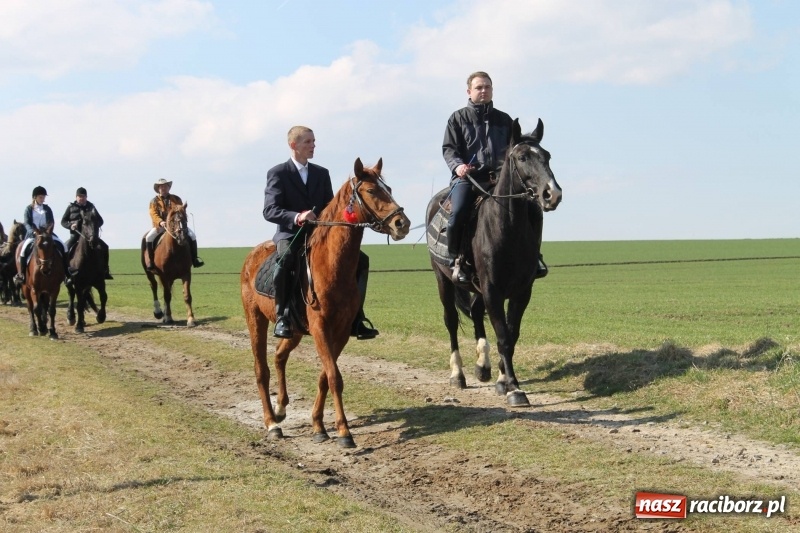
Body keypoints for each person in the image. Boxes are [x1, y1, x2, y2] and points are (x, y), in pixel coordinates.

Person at [263, 125, 378, 340]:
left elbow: (330, 207)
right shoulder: (278, 173)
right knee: (285, 261)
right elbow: (270, 210)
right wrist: (298, 216)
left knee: (361, 260)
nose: (313, 145)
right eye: (308, 142)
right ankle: (283, 316)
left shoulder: (321, 173)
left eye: (313, 141)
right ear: (293, 145)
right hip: (291, 234)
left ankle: (357, 317)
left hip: (320, 234)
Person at [442, 71, 548, 283]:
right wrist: (458, 166)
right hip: (468, 179)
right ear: (469, 91)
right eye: (479, 87)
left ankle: (535, 256)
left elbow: (516, 151)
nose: (483, 91)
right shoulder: (457, 118)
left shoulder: (505, 120)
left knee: (534, 210)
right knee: (460, 211)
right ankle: (455, 260)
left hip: (500, 181)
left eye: (487, 87)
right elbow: (449, 149)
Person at [144, 179, 204, 271]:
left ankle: (194, 259)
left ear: (169, 187)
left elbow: (181, 210)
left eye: (165, 186)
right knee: (148, 237)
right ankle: (151, 262)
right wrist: (160, 222)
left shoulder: (176, 199)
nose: (164, 188)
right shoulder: (154, 201)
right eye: (161, 186)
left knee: (192, 236)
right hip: (161, 226)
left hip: (175, 225)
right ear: (158, 188)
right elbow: (153, 213)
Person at [14, 186, 70, 285]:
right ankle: (21, 274)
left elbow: (51, 221)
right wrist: (33, 231)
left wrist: (48, 231)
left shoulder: (47, 208)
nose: (43, 199)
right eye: (41, 197)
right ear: (35, 197)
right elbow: (27, 223)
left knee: (64, 246)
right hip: (33, 235)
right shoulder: (28, 209)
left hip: (47, 234)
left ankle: (67, 273)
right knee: (23, 250)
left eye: (43, 197)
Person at [61, 187, 113, 280]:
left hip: (90, 236)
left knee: (105, 247)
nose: (81, 198)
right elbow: (63, 221)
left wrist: (93, 227)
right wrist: (71, 225)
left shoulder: (91, 207)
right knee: (65, 249)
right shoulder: (70, 207)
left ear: (86, 197)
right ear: (76, 197)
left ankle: (105, 270)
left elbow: (100, 220)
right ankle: (66, 274)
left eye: (83, 196)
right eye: (80, 196)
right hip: (76, 235)